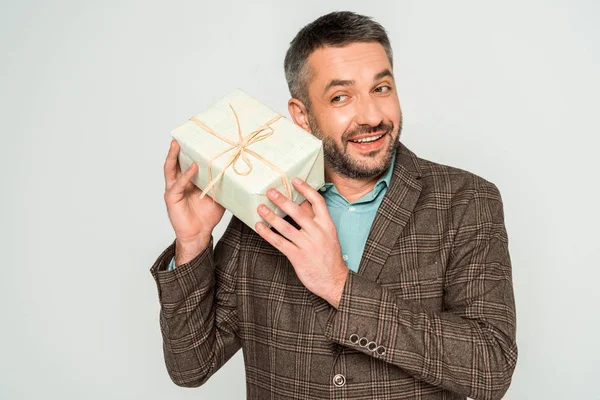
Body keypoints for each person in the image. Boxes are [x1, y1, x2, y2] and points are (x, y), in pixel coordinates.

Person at [150, 11, 517, 400]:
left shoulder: (466, 200)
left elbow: (490, 368)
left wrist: (340, 287)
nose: (372, 116)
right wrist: (192, 243)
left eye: (381, 89)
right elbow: (191, 367)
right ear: (302, 116)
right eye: (341, 97)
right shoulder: (263, 208)